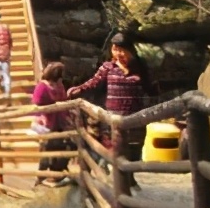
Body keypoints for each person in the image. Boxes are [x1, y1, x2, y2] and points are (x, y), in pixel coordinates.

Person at [67, 32, 151, 160]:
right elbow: (93, 83)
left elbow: (150, 88)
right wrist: (77, 90)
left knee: (133, 155)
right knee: (115, 155)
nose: (118, 54)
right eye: (115, 50)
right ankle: (115, 178)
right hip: (113, 120)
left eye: (121, 50)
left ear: (130, 51)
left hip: (135, 121)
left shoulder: (140, 67)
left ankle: (130, 180)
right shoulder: (108, 67)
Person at [32, 61, 74, 187]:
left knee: (65, 146)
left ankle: (57, 174)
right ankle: (41, 178)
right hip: (48, 123)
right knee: (47, 150)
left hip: (61, 121)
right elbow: (36, 103)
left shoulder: (59, 85)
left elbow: (64, 101)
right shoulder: (42, 86)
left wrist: (68, 117)